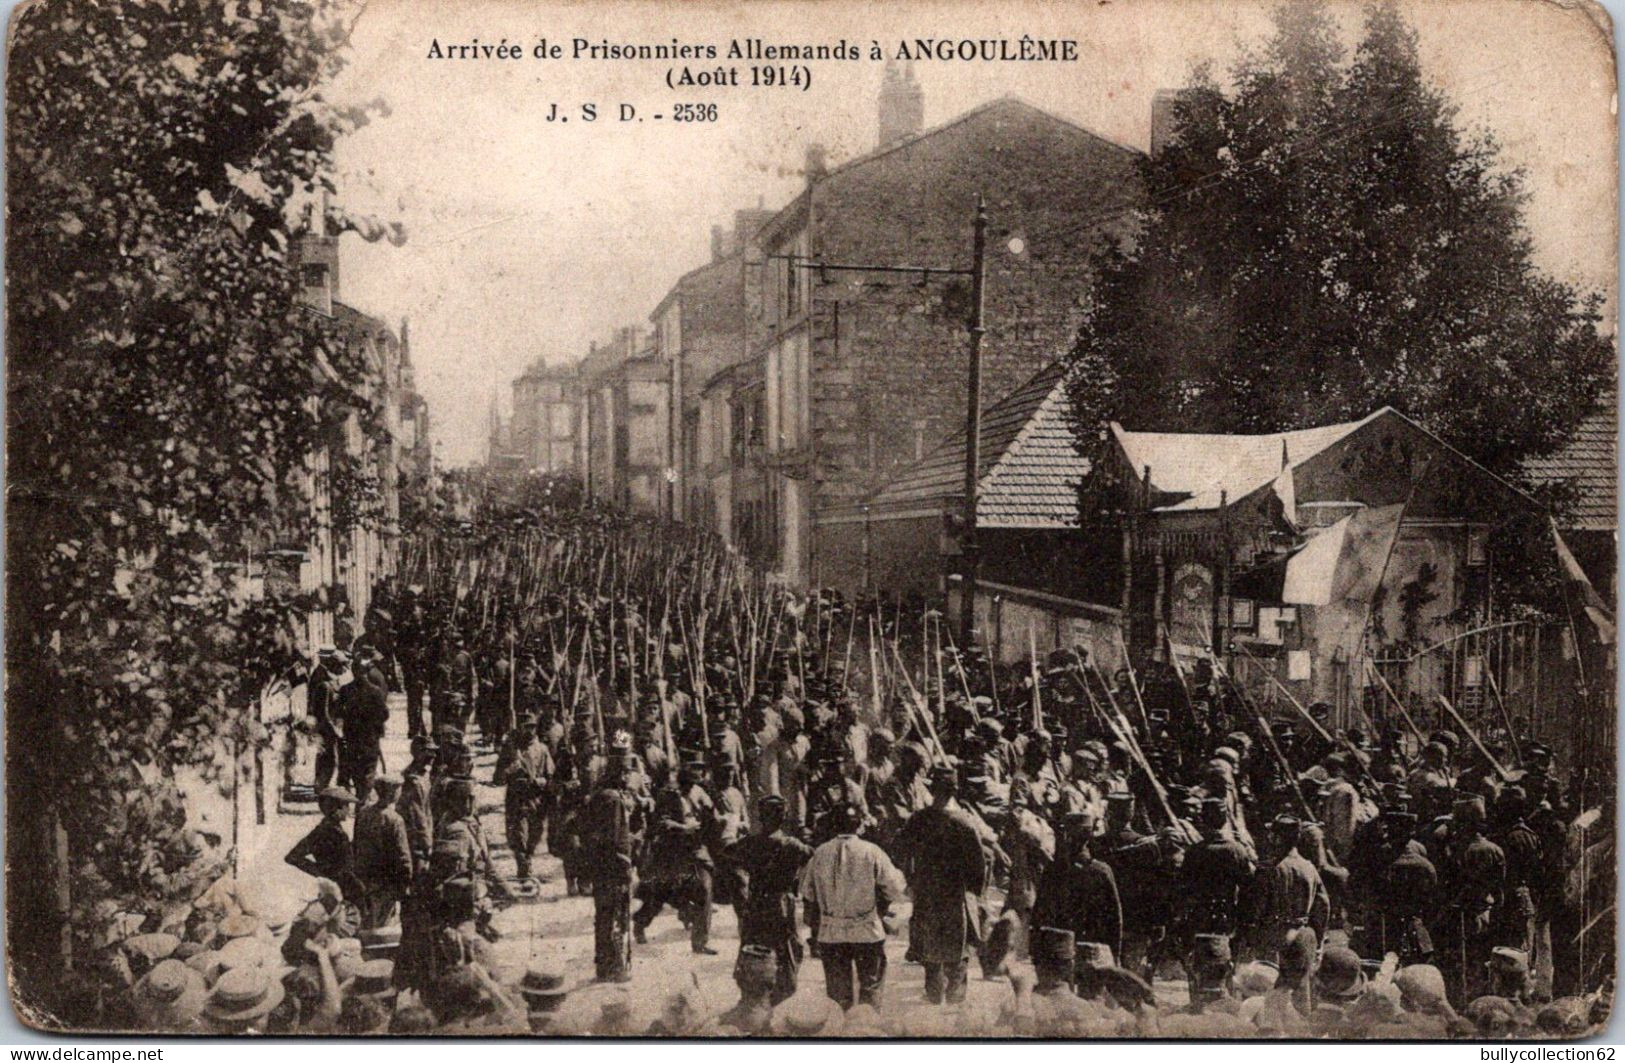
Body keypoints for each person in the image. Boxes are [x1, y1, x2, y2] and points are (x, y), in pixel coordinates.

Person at [799, 800, 907, 1010]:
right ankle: (867, 1031)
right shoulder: (872, 852)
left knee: (838, 1000)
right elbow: (895, 888)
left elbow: (808, 895)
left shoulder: (819, 853)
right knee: (870, 989)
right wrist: (881, 905)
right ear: (859, 825)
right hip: (867, 931)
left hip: (831, 933)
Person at [896, 764, 989, 1005]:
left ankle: (934, 996)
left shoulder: (918, 819)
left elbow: (901, 850)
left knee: (929, 947)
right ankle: (956, 1002)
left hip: (926, 892)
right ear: (954, 790)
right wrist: (975, 893)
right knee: (958, 949)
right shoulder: (966, 823)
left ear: (932, 789)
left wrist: (911, 879)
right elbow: (979, 866)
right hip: (956, 895)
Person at [730, 793, 813, 1003]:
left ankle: (751, 1000)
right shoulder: (792, 845)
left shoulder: (748, 844)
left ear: (760, 817)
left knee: (752, 950)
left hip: (756, 903)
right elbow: (813, 858)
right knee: (787, 955)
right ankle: (780, 1001)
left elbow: (728, 857)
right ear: (783, 817)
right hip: (782, 904)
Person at [583, 740, 641, 982]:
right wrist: (626, 864)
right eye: (626, 772)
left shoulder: (603, 793)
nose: (629, 776)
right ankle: (614, 967)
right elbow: (613, 837)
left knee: (605, 916)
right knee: (616, 914)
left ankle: (604, 965)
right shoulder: (612, 799)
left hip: (602, 865)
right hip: (613, 865)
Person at [495, 714, 554, 881]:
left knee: (535, 835)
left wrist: (542, 781)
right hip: (517, 798)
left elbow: (551, 776)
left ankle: (527, 860)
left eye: (533, 727)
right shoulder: (511, 749)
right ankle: (524, 870)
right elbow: (497, 778)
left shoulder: (542, 749)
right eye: (526, 726)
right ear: (520, 728)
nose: (530, 730)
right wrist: (509, 770)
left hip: (536, 799)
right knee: (519, 836)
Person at [353, 775, 413, 929]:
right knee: (383, 923)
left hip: (365, 876)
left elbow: (356, 843)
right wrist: (405, 881)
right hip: (387, 879)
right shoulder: (394, 819)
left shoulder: (363, 812)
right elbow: (403, 855)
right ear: (393, 793)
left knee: (367, 918)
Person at [284, 787, 363, 901]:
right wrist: (322, 873)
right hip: (342, 889)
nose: (349, 810)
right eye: (346, 806)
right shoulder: (325, 832)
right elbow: (292, 857)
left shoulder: (329, 829)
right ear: (336, 809)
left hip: (342, 886)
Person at [339, 647, 391, 799]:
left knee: (355, 770)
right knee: (368, 772)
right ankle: (363, 801)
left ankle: (358, 798)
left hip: (351, 738)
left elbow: (338, 712)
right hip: (370, 739)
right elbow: (384, 714)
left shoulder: (345, 690)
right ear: (366, 671)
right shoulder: (375, 691)